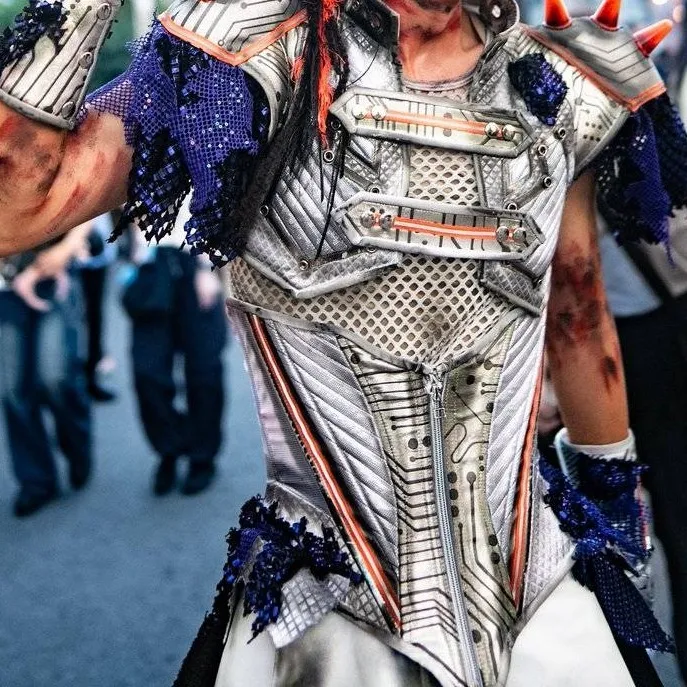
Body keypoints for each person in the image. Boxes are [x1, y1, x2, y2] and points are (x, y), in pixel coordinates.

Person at [0, 0, 684, 684]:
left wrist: (615, 501)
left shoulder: (550, 88)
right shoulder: (247, 60)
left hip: (537, 586)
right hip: (327, 607)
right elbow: (16, 214)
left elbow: (577, 309)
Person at [121, 210, 227, 496]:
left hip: (196, 258)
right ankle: (170, 447)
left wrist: (207, 267)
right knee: (147, 372)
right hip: (151, 262)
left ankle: (202, 456)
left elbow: (219, 200)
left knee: (204, 371)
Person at [0, 224, 92, 517]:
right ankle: (36, 481)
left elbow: (87, 203)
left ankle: (76, 444)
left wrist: (67, 248)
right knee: (13, 390)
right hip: (4, 289)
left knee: (55, 377)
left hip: (53, 269)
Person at [76, 213, 119, 402]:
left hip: (96, 253)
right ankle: (77, 379)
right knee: (74, 320)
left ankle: (90, 376)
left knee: (95, 316)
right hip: (66, 256)